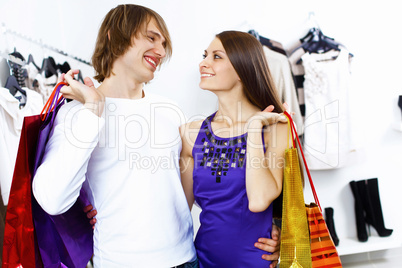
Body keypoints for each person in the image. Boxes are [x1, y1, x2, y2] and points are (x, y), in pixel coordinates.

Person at [32, 4, 280, 267]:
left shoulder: (170, 113)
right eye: (151, 38)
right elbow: (52, 201)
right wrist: (94, 109)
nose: (161, 51)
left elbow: (206, 189)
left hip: (187, 260)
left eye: (163, 43)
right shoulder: (78, 114)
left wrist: (269, 228)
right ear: (114, 37)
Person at [179, 31, 289, 267]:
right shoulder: (190, 133)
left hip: (255, 262)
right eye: (205, 55)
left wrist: (253, 127)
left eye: (216, 57)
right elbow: (179, 213)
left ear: (242, 69)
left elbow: (259, 200)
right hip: (202, 260)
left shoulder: (275, 128)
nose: (203, 63)